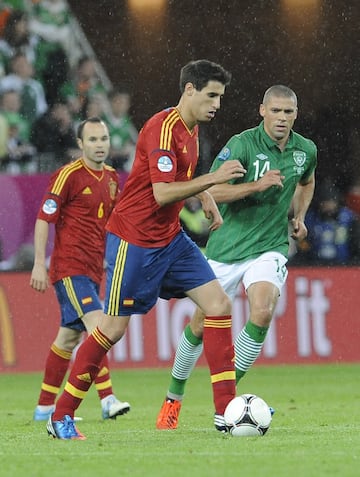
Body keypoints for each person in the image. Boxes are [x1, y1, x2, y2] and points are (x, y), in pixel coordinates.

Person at [46, 59, 245, 440]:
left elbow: (181, 178)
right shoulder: (162, 128)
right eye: (211, 95)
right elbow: (162, 192)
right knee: (111, 329)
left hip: (170, 239)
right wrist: (214, 179)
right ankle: (61, 415)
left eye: (220, 96)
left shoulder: (192, 127)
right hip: (133, 241)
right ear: (189, 90)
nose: (217, 104)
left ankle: (227, 413)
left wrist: (206, 196)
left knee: (218, 305)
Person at [156, 84, 317, 431]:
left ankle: (227, 404)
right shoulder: (242, 145)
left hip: (269, 248)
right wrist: (256, 186)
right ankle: (173, 398)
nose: (281, 118)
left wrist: (299, 215)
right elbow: (211, 189)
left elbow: (307, 181)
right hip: (225, 250)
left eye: (288, 112)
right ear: (262, 111)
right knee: (199, 326)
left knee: (261, 311)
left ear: (295, 115)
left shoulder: (305, 150)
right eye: (275, 111)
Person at [30, 117, 130, 422]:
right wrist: (38, 263)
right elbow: (43, 219)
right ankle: (107, 399)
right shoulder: (68, 175)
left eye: (103, 139)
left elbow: (114, 223)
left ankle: (45, 407)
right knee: (99, 328)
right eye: (93, 140)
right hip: (69, 268)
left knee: (68, 339)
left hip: (93, 270)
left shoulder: (113, 177)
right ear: (80, 144)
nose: (99, 145)